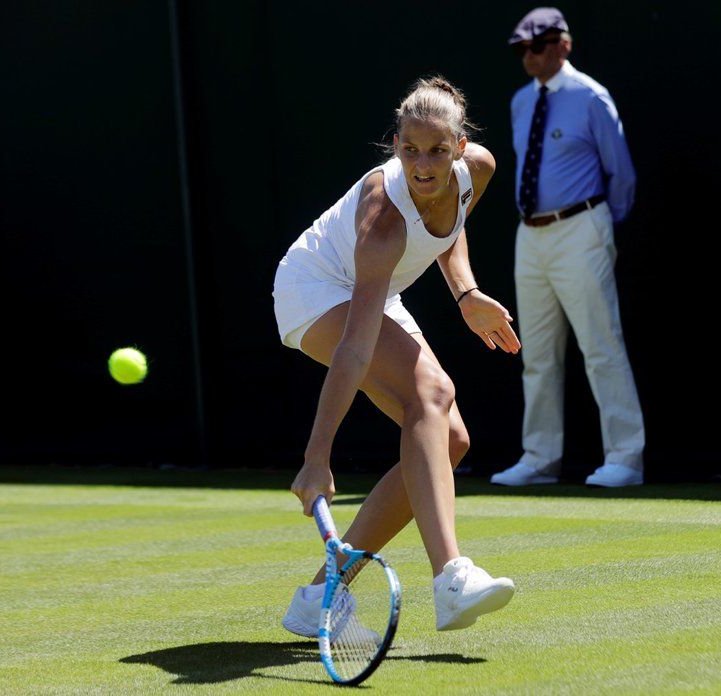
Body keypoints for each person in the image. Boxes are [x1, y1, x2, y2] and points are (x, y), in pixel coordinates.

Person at [273, 77, 521, 634]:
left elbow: (449, 224)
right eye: (410, 150)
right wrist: (318, 455)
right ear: (395, 144)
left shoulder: (476, 169)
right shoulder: (382, 221)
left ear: (460, 148)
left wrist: (465, 294)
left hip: (376, 289)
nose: (423, 165)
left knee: (448, 439)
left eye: (437, 150)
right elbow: (353, 349)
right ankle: (451, 578)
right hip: (315, 288)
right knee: (432, 394)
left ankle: (320, 596)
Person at [490, 8, 645, 488]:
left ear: (563, 45)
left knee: (600, 345)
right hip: (530, 234)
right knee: (535, 352)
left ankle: (626, 458)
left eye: (536, 47)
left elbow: (621, 173)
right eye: (521, 50)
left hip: (581, 226)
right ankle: (540, 458)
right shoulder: (520, 102)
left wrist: (599, 226)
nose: (528, 57)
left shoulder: (591, 97)